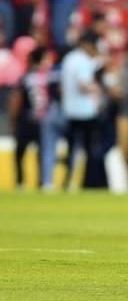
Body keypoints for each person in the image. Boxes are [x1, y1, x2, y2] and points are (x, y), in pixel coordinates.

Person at [59, 33, 104, 190]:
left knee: (70, 149)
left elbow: (63, 86)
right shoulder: (83, 61)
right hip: (85, 112)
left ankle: (67, 181)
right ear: (87, 45)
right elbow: (83, 85)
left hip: (69, 110)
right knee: (89, 150)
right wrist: (98, 89)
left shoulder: (69, 58)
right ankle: (87, 183)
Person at [13, 46, 57, 188]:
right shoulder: (50, 77)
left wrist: (13, 118)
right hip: (42, 119)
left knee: (21, 152)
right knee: (42, 152)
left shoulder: (25, 77)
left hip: (27, 118)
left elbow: (17, 99)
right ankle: (42, 182)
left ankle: (21, 183)